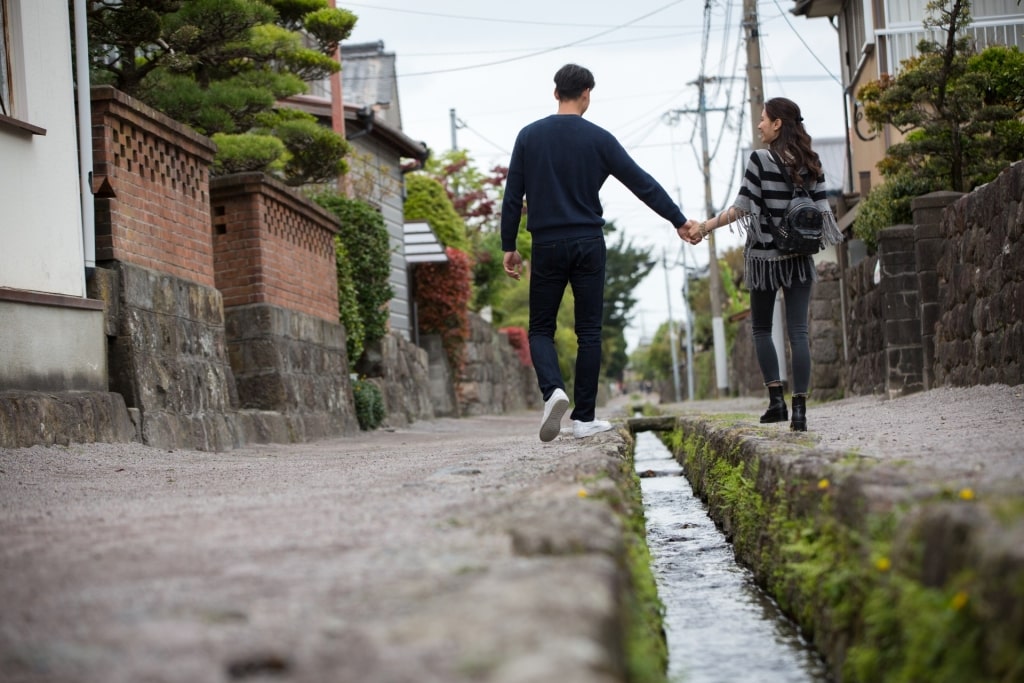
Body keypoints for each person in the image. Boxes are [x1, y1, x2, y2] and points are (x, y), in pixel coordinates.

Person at [501, 63, 696, 443]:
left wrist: (509, 245)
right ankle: (584, 419)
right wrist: (679, 220)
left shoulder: (528, 137)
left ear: (555, 92)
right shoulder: (599, 139)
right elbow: (642, 183)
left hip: (546, 243)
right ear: (587, 93)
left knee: (541, 328)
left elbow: (512, 198)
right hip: (589, 242)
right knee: (589, 330)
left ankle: (553, 391)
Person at [683, 97, 842, 431]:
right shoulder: (811, 163)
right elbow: (824, 213)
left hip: (764, 259)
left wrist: (704, 227)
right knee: (799, 332)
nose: (759, 125)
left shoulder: (760, 159)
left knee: (761, 328)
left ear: (777, 124)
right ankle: (800, 410)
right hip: (799, 257)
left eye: (763, 119)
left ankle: (776, 402)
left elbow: (742, 209)